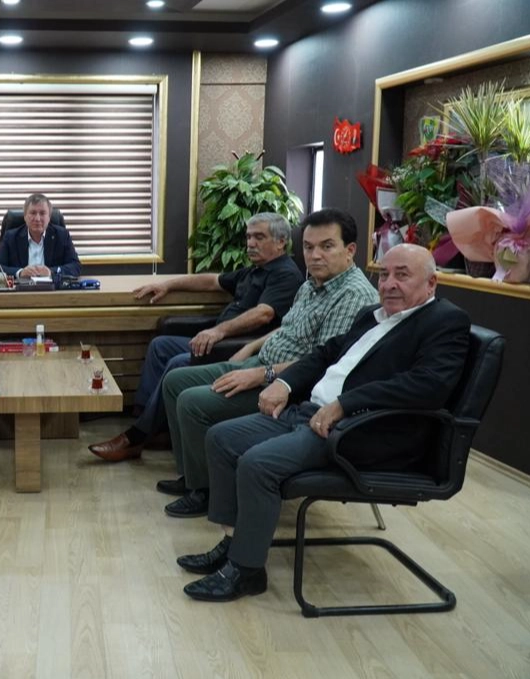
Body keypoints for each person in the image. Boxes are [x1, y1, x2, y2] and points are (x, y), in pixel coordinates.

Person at [180, 244, 471, 603]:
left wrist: (345, 405)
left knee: (258, 464)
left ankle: (246, 570)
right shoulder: (372, 314)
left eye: (402, 275)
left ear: (431, 283)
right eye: (384, 275)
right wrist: (284, 384)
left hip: (360, 429)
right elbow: (324, 355)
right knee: (221, 438)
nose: (389, 284)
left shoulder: (446, 321)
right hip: (310, 413)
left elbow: (427, 386)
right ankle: (233, 544)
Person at [158, 208, 378, 517]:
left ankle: (206, 492)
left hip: (290, 387)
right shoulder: (312, 284)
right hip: (261, 362)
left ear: (350, 250)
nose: (314, 255)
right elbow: (287, 328)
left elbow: (322, 364)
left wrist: (263, 374)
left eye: (327, 246)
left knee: (193, 402)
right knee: (174, 381)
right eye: (308, 247)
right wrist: (251, 346)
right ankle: (194, 477)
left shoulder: (353, 295)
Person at [88, 212, 303, 462]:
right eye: (248, 237)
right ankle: (155, 426)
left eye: (259, 237)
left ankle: (136, 437)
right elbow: (212, 281)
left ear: (281, 242)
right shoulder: (255, 270)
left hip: (239, 348)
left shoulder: (285, 274)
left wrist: (219, 331)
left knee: (177, 362)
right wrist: (168, 285)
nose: (251, 243)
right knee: (160, 346)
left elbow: (264, 314)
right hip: (220, 340)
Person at [0, 193, 80, 278]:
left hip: (52, 287)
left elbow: (75, 266)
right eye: (33, 213)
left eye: (42, 213)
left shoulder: (62, 235)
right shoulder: (11, 237)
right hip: (21, 287)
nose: (37, 219)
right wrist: (20, 272)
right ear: (25, 216)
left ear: (49, 217)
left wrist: (51, 272)